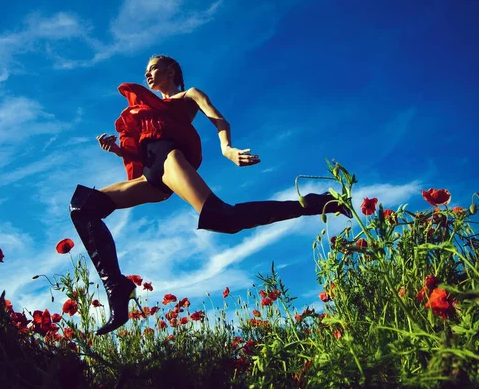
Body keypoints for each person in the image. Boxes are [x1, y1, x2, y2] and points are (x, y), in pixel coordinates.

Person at [69, 55, 352, 335]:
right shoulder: (144, 109)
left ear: (170, 70)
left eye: (153, 68)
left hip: (170, 159)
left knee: (223, 219)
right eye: (146, 71)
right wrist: (117, 150)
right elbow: (143, 150)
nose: (147, 75)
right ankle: (116, 287)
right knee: (83, 207)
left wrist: (226, 148)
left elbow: (218, 119)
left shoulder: (189, 95)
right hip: (150, 173)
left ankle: (317, 203)